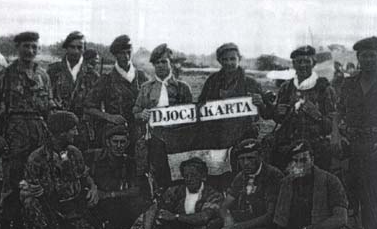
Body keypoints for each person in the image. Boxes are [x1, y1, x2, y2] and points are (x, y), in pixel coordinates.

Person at [19, 111, 110, 229]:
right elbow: (26, 190)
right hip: (49, 212)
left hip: (73, 210)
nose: (76, 132)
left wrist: (93, 187)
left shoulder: (74, 153)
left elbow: (85, 176)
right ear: (61, 132)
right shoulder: (36, 158)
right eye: (72, 129)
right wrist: (35, 192)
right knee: (30, 203)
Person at [0, 31, 55, 229]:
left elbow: (49, 107)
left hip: (39, 130)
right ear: (18, 48)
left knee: (38, 179)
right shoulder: (6, 74)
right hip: (15, 132)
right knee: (13, 180)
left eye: (34, 47)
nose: (31, 51)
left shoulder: (43, 75)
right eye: (26, 46)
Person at [339, 36, 377, 229]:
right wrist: (338, 136)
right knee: (346, 207)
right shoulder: (348, 84)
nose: (367, 59)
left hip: (376, 152)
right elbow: (338, 112)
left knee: (372, 209)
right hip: (350, 150)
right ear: (357, 59)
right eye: (363, 55)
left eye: (372, 55)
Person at [127, 157, 223, 229]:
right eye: (186, 175)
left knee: (202, 227)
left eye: (193, 175)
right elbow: (154, 207)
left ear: (203, 176)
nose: (189, 179)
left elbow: (204, 217)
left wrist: (176, 216)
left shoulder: (213, 195)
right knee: (150, 217)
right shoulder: (176, 190)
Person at [218, 139, 283, 229]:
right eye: (242, 159)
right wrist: (228, 220)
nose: (246, 163)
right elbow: (224, 205)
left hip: (268, 224)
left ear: (261, 156)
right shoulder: (241, 176)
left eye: (250, 158)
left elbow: (271, 215)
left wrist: (237, 228)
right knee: (214, 224)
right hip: (248, 218)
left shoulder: (272, 175)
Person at [133, 43, 193, 188]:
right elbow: (135, 110)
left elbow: (192, 114)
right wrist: (142, 114)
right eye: (157, 63)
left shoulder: (182, 88)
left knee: (179, 173)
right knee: (158, 174)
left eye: (164, 62)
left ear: (170, 63)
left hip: (178, 139)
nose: (160, 66)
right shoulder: (146, 88)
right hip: (154, 139)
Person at [272, 45, 337, 171]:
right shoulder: (287, 87)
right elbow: (278, 120)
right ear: (294, 64)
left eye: (307, 61)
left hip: (315, 148)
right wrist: (279, 112)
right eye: (298, 62)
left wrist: (317, 115)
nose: (303, 65)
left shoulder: (324, 89)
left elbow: (332, 125)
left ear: (314, 64)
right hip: (289, 146)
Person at [84, 123, 149, 229]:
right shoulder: (93, 157)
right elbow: (81, 172)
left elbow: (136, 190)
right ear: (108, 142)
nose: (119, 146)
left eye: (122, 142)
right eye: (115, 142)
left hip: (118, 208)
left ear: (127, 143)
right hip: (95, 208)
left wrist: (110, 194)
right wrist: (93, 186)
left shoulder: (130, 163)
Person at [85, 35, 148, 149]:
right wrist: (109, 117)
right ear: (115, 55)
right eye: (122, 53)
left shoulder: (142, 77)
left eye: (129, 52)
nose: (126, 56)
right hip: (116, 137)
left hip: (140, 134)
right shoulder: (106, 79)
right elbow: (88, 107)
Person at [198, 42, 271, 136]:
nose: (229, 63)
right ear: (219, 61)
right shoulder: (212, 81)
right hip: (217, 133)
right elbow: (200, 105)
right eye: (225, 59)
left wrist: (260, 104)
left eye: (232, 59)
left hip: (245, 134)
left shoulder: (251, 83)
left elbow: (267, 114)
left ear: (239, 59)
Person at [47, 31, 100, 150]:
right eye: (72, 47)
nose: (76, 51)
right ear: (66, 48)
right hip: (59, 129)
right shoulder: (53, 71)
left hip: (83, 129)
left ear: (84, 49)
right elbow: (46, 98)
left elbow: (96, 105)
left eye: (79, 47)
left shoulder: (93, 75)